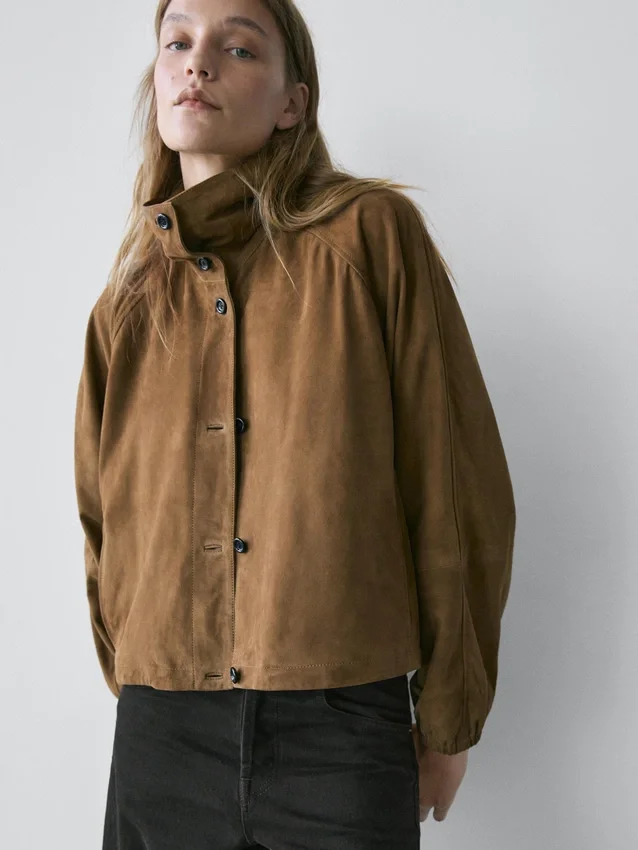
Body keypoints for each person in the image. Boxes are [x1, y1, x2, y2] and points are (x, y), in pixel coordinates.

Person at [73, 0, 516, 847]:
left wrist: (450, 717)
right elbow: (102, 520)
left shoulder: (369, 238)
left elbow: (453, 484)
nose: (198, 62)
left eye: (238, 48)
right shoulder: (126, 305)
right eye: (177, 41)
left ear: (292, 103)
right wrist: (144, 682)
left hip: (339, 732)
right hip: (163, 735)